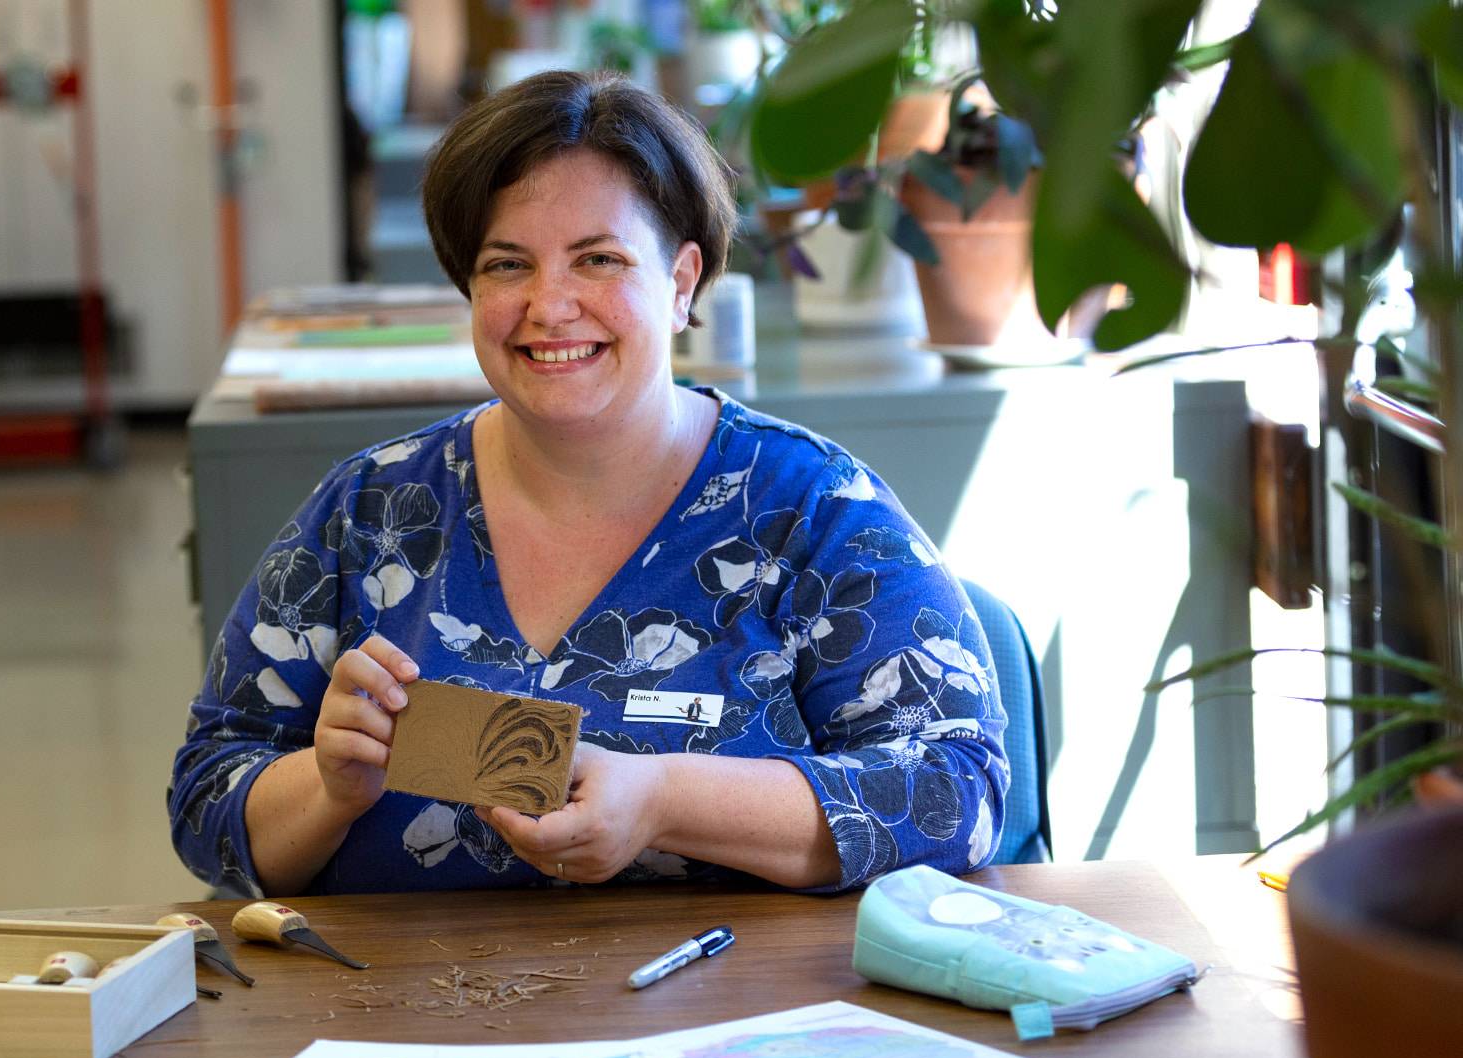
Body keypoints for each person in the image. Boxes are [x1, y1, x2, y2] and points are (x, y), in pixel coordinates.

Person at [169, 71, 1008, 898]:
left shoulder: (813, 511)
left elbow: (957, 787)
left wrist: (667, 803)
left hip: (738, 1017)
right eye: (507, 266)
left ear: (680, 285)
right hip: (411, 1020)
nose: (550, 304)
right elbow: (208, 792)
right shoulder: (372, 512)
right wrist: (326, 787)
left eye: (597, 259)